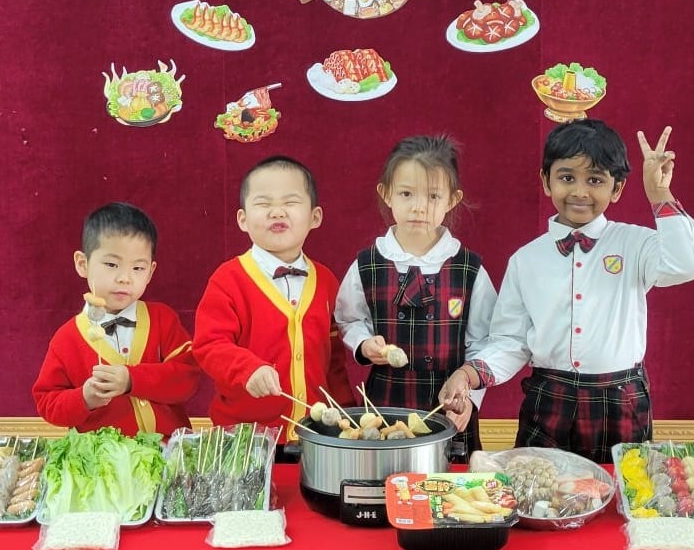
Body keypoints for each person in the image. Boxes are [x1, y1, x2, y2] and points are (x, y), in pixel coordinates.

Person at [439, 120, 694, 463]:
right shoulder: (526, 260)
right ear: (546, 181)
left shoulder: (636, 243)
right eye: (567, 177)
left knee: (623, 488)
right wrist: (468, 373)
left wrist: (659, 194)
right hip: (549, 399)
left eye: (595, 180)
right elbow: (510, 342)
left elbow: (689, 263)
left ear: (617, 188)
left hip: (621, 400)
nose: (580, 192)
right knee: (539, 488)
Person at [334, 135, 497, 455]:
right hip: (384, 405)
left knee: (446, 482)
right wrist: (364, 344)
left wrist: (469, 397)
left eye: (433, 196)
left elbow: (485, 342)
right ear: (387, 194)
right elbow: (348, 319)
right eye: (406, 193)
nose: (419, 207)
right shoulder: (367, 264)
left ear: (452, 199)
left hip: (449, 406)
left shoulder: (469, 268)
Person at [192, 155, 354, 453]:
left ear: (315, 217)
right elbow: (209, 345)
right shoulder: (227, 279)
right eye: (263, 203)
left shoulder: (326, 281)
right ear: (242, 219)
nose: (277, 211)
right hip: (244, 439)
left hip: (316, 437)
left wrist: (346, 414)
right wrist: (247, 369)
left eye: (290, 202)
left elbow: (333, 362)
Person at [33, 202, 201, 436]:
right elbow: (47, 403)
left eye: (138, 268)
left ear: (151, 272)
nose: (125, 278)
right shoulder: (66, 339)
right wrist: (84, 398)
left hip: (169, 450)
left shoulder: (163, 319)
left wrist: (132, 379)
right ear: (82, 264)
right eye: (112, 265)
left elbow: (188, 378)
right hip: (103, 456)